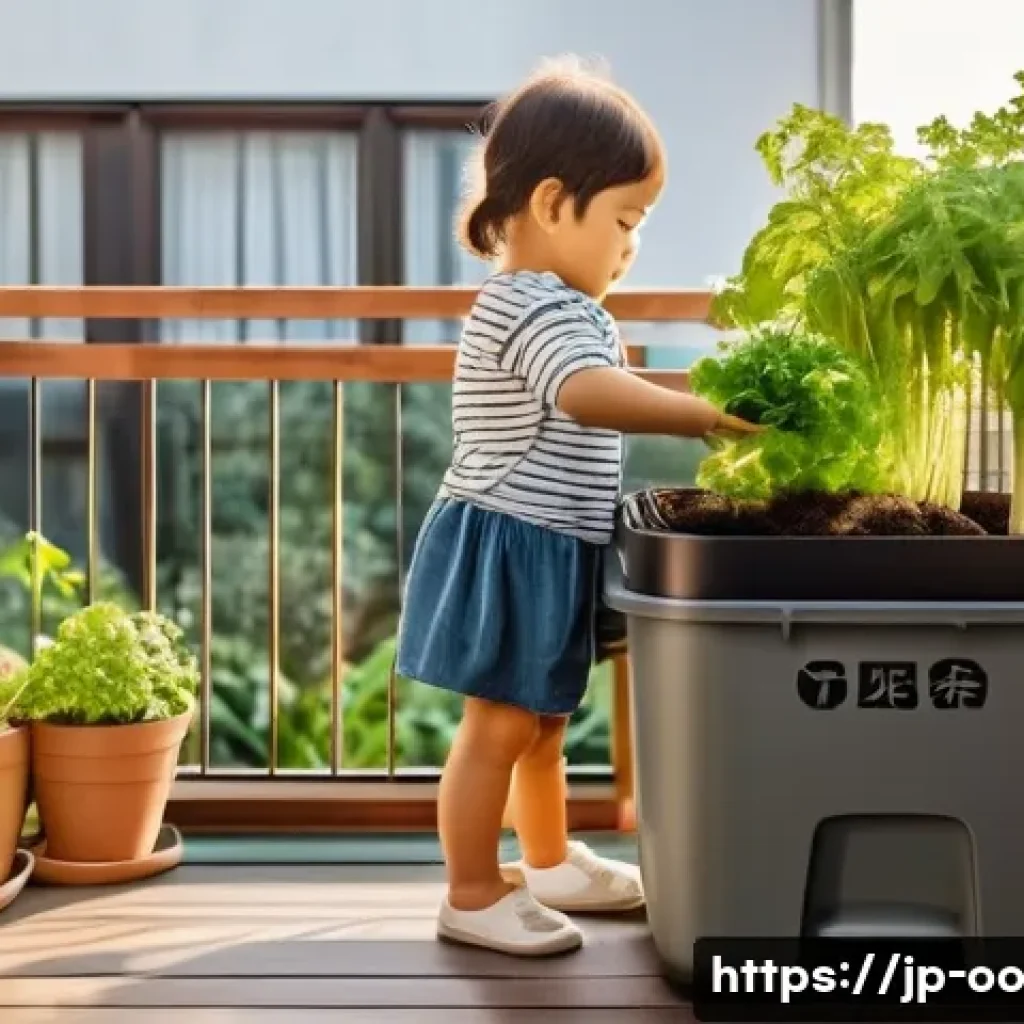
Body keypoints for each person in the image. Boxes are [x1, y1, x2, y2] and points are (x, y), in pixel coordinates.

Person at [395, 57, 761, 957]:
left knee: (545, 720)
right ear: (556, 203)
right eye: (626, 221)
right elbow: (588, 393)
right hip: (513, 539)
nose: (633, 246)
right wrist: (702, 414)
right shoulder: (527, 305)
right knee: (502, 724)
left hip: (550, 539)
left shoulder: (558, 301)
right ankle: (473, 891)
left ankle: (550, 862)